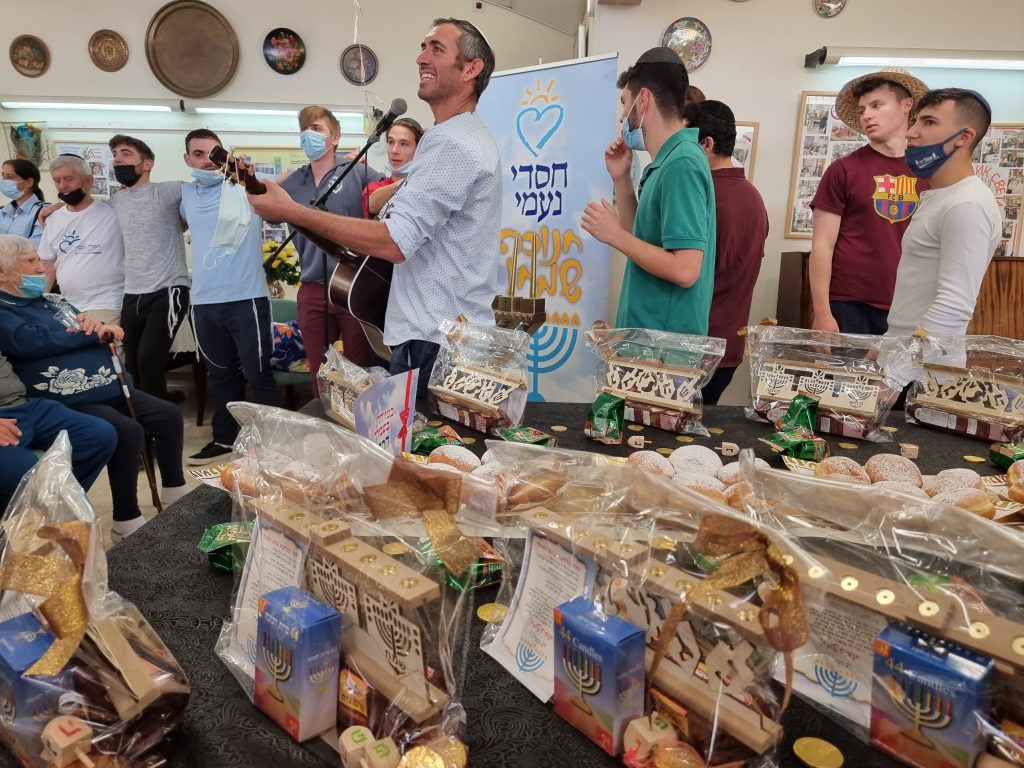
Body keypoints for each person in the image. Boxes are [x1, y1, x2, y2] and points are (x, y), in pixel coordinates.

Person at [246, 18, 500, 400]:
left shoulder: (453, 144)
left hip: (435, 342)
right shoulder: (455, 139)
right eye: (422, 46)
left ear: (471, 69)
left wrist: (294, 212)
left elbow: (395, 241)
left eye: (436, 49)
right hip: (439, 337)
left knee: (421, 457)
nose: (420, 57)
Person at [0, 235, 187, 541]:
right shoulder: (4, 309)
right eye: (31, 261)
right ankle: (122, 518)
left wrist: (97, 326)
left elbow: (84, 325)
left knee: (168, 414)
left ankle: (175, 493)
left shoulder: (52, 300)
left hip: (107, 384)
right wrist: (89, 337)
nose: (42, 266)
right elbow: (31, 341)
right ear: (3, 272)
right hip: (70, 395)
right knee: (127, 431)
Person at [581, 47, 716, 336]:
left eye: (624, 103)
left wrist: (614, 235)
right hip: (648, 340)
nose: (621, 117)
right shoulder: (667, 161)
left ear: (643, 100)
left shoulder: (682, 163)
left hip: (663, 350)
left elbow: (685, 269)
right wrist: (622, 179)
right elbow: (639, 239)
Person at [181, 128, 281, 465]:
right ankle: (224, 440)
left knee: (257, 373)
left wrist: (246, 174)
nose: (207, 161)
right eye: (198, 154)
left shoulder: (247, 189)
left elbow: (274, 188)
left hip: (247, 298)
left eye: (213, 154)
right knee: (220, 376)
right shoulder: (183, 194)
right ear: (187, 159)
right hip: (204, 302)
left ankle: (271, 443)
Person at [809, 67, 928, 335]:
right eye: (863, 110)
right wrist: (822, 313)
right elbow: (822, 246)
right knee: (845, 379)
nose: (867, 115)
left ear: (907, 105)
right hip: (849, 304)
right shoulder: (843, 170)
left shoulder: (928, 172)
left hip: (909, 304)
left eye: (877, 105)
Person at [280, 106, 385, 385]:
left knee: (359, 371)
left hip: (352, 285)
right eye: (304, 130)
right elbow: (264, 205)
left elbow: (386, 194)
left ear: (335, 137)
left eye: (316, 129)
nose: (308, 135)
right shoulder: (294, 182)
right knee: (321, 374)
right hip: (313, 286)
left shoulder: (356, 171)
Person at [886, 89, 1000, 338]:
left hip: (921, 369)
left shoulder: (966, 204)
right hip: (902, 354)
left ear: (964, 137)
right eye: (915, 120)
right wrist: (887, 345)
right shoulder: (942, 196)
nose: (911, 132)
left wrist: (897, 372)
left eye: (928, 122)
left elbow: (954, 304)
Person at [683, 99, 768, 405]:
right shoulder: (753, 197)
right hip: (728, 346)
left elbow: (684, 271)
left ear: (705, 144)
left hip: (695, 346)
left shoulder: (704, 197)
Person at [107, 135, 190, 402]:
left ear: (148, 164)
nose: (118, 159)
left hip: (169, 289)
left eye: (126, 154)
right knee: (131, 362)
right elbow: (84, 210)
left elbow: (203, 192)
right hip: (132, 291)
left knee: (149, 361)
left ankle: (156, 426)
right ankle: (150, 410)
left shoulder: (167, 190)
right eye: (115, 154)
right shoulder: (116, 200)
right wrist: (56, 207)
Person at [1, 348, 117, 512]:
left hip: (24, 404)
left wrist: (85, 326)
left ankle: (56, 512)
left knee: (100, 435)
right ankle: (16, 525)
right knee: (22, 470)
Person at [38, 154, 125, 325]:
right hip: (68, 307)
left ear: (89, 181)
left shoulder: (113, 212)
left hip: (107, 304)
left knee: (102, 348)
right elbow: (48, 268)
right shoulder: (53, 219)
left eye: (69, 179)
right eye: (57, 180)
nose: (62, 185)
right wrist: (38, 303)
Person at [364, 117, 424, 218]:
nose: (394, 150)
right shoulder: (375, 187)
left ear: (419, 149)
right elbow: (373, 206)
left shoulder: (426, 189)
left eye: (404, 144)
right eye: (391, 142)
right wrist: (413, 179)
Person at [1, 158, 47, 244]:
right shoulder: (3, 212)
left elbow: (34, 248)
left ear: (29, 182)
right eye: (3, 175)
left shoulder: (43, 212)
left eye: (9, 177)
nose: (3, 181)